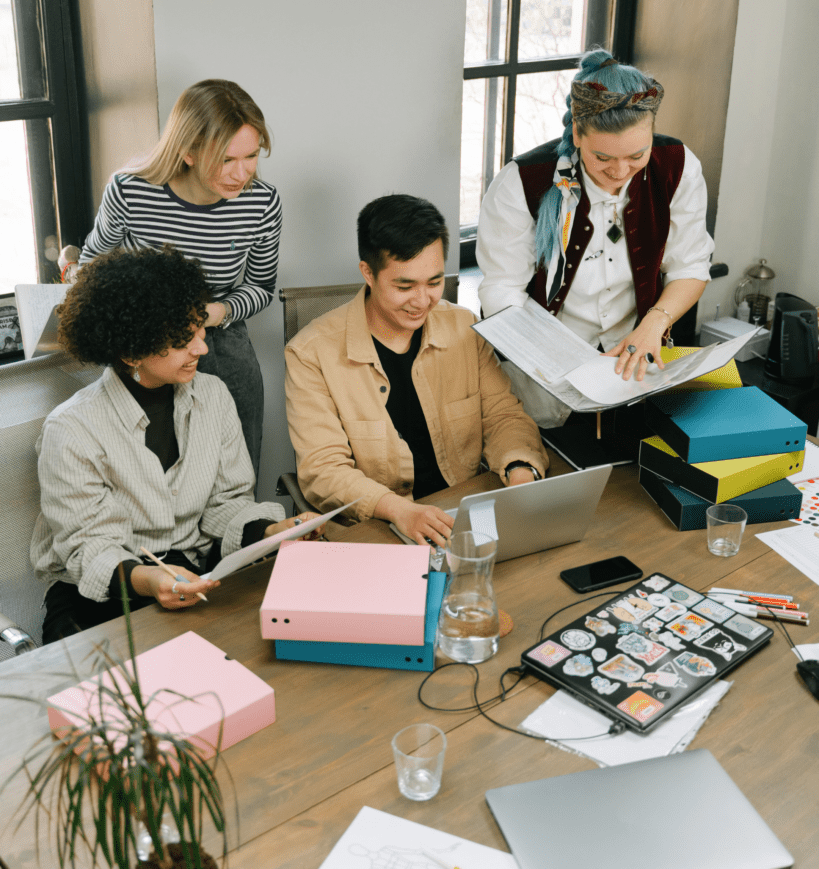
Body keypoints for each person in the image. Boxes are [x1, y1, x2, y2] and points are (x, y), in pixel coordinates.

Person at [31, 247, 321, 643]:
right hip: (102, 590)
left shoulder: (213, 395)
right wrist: (151, 580)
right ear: (132, 350)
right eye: (183, 340)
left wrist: (273, 529)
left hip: (187, 572)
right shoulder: (72, 429)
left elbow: (226, 503)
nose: (201, 348)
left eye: (199, 329)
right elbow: (89, 550)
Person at [284, 194, 548, 547]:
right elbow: (324, 471)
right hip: (376, 528)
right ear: (368, 273)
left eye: (434, 282)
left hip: (462, 513)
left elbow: (504, 417)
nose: (422, 301)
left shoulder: (463, 328)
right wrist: (399, 510)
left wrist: (520, 474)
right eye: (404, 286)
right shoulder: (310, 353)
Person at [476, 49, 713, 424]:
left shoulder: (678, 166)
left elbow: (691, 266)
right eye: (602, 158)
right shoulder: (521, 182)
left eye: (637, 155)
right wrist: (553, 358)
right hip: (544, 378)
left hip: (636, 367)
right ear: (576, 133)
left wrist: (653, 324)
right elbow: (501, 289)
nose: (620, 172)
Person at [59, 79, 280, 480]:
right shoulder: (130, 191)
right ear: (189, 151)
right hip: (147, 346)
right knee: (147, 477)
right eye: (227, 160)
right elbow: (92, 267)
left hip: (221, 337)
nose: (243, 173)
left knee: (235, 477)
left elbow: (261, 287)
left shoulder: (262, 202)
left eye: (251, 156)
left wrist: (212, 313)